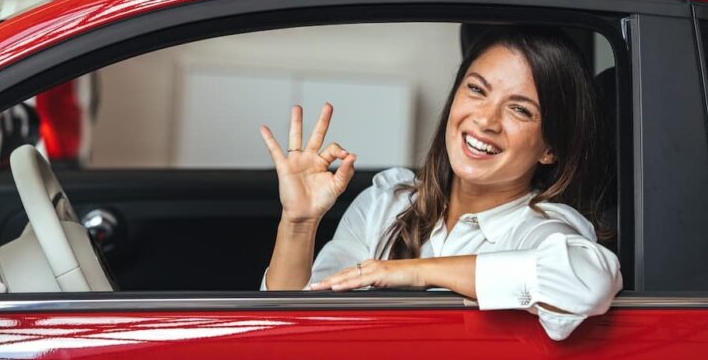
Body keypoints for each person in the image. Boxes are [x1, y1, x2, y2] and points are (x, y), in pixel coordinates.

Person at [258, 25, 622, 341]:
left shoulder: (539, 230)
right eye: (477, 90)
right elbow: (297, 320)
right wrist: (299, 223)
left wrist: (412, 272)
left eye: (520, 109)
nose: (485, 120)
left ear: (550, 149)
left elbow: (588, 284)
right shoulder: (387, 201)